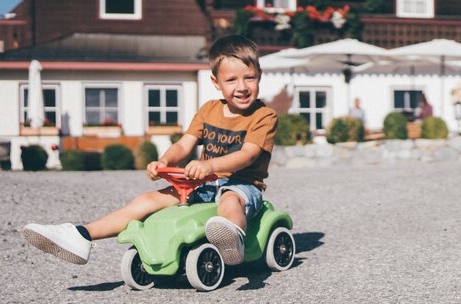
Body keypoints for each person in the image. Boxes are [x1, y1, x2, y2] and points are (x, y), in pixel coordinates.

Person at [21, 35, 278, 267]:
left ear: (259, 75)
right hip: (203, 183)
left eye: (249, 78)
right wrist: (164, 160)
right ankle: (80, 234)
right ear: (216, 82)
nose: (242, 87)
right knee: (146, 200)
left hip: (242, 184)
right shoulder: (209, 110)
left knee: (230, 201)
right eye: (231, 80)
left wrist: (210, 165)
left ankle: (231, 239)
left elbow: (249, 155)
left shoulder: (263, 116)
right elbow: (184, 144)